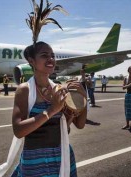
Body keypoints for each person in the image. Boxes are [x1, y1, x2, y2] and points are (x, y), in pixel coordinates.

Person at [10, 42, 87, 176]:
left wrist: (83, 97)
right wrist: (52, 110)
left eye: (52, 55)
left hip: (61, 154)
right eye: (44, 55)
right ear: (32, 61)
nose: (51, 59)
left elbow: (79, 124)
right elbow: (19, 130)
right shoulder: (24, 90)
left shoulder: (59, 90)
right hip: (34, 159)